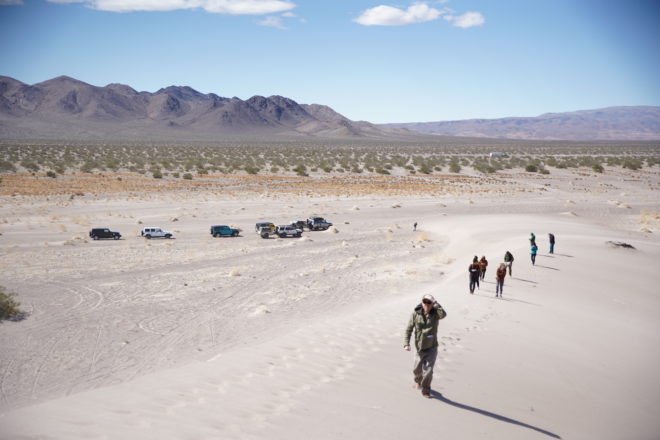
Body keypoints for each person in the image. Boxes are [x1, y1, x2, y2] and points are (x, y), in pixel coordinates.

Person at [404, 294, 447, 398]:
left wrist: (437, 305)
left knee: (428, 370)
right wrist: (406, 343)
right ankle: (418, 381)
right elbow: (409, 329)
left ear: (432, 304)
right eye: (425, 302)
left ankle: (426, 390)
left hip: (432, 347)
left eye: (429, 302)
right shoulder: (415, 314)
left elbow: (443, 314)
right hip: (419, 347)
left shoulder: (436, 314)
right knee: (417, 369)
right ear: (421, 302)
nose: (427, 304)